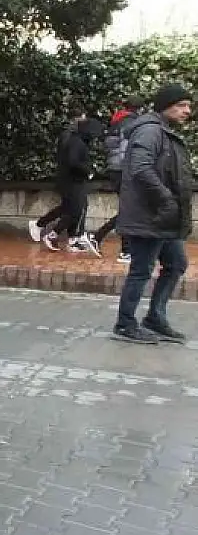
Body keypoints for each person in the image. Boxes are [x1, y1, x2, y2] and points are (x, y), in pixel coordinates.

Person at [112, 83, 193, 344]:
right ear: (165, 106)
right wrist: (166, 198)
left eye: (188, 106)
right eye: (181, 105)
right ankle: (125, 323)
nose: (187, 111)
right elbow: (140, 168)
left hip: (163, 216)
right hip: (150, 215)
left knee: (176, 264)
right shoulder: (149, 131)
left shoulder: (164, 132)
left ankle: (155, 318)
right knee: (141, 270)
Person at [28, 107, 105, 256]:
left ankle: (65, 235)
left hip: (71, 178)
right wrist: (87, 170)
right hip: (71, 179)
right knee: (76, 208)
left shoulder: (75, 137)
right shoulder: (72, 137)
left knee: (71, 208)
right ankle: (63, 235)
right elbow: (71, 160)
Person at [94, 96, 145, 262]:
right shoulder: (131, 123)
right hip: (125, 170)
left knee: (128, 209)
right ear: (139, 109)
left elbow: (109, 146)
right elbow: (127, 149)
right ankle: (125, 250)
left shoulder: (116, 122)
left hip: (114, 169)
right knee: (129, 209)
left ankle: (99, 238)